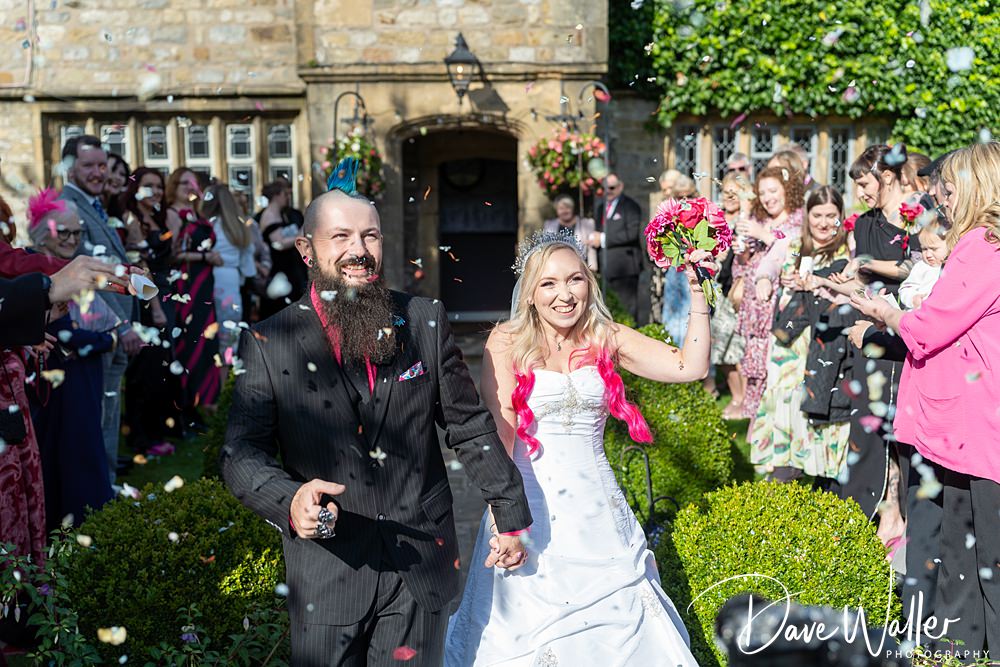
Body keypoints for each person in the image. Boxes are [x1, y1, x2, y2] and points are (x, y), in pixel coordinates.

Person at [221, 159, 532, 666]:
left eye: (370, 236)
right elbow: (240, 455)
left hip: (421, 562)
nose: (358, 252)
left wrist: (511, 513)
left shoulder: (424, 321)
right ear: (306, 249)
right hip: (329, 570)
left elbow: (468, 424)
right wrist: (290, 500)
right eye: (340, 237)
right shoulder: (267, 342)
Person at [445, 230, 707, 666]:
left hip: (598, 513)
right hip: (527, 504)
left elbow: (690, 366)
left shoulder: (607, 336)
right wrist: (501, 517)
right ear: (529, 294)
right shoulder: (506, 342)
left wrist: (699, 294)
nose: (564, 295)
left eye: (575, 280)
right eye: (548, 284)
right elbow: (502, 432)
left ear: (589, 282)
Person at [849, 142, 1000, 657]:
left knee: (979, 558)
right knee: (964, 551)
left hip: (976, 426)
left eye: (951, 187)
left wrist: (884, 313)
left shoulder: (983, 244)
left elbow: (933, 325)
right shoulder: (977, 242)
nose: (942, 196)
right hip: (965, 428)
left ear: (978, 187)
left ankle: (967, 648)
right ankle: (959, 648)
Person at [823, 144, 918, 541]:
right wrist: (834, 282)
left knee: (902, 428)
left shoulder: (920, 215)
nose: (861, 192)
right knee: (872, 425)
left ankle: (907, 513)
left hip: (908, 334)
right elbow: (860, 280)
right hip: (872, 333)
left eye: (865, 183)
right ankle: (884, 510)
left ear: (889, 177)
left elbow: (917, 265)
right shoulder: (862, 224)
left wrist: (866, 265)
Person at [26, 189, 115, 530]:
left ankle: (90, 524)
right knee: (63, 453)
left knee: (85, 448)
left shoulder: (72, 269)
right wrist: (103, 340)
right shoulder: (32, 273)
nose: (71, 239)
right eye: (63, 232)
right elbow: (62, 331)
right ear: (40, 232)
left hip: (83, 377)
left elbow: (92, 324)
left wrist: (99, 338)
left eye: (77, 232)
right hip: (53, 381)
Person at [750, 186, 852, 482]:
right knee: (786, 399)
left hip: (826, 341)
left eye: (830, 216)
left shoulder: (849, 248)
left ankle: (819, 472)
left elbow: (853, 289)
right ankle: (785, 469)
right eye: (817, 215)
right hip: (790, 342)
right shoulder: (795, 243)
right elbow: (768, 264)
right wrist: (765, 281)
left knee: (815, 400)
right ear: (807, 216)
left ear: (840, 216)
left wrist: (821, 284)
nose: (823, 223)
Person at [60, 135, 142, 482]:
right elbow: (84, 277)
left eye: (101, 165)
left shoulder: (94, 204)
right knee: (99, 415)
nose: (98, 172)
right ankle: (100, 490)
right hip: (98, 330)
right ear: (69, 169)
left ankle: (105, 484)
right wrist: (121, 326)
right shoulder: (69, 207)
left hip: (113, 327)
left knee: (108, 413)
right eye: (88, 165)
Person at [733, 166, 806, 420]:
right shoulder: (760, 220)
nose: (767, 197)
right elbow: (742, 267)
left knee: (774, 368)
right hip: (755, 306)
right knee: (754, 370)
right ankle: (757, 430)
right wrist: (741, 251)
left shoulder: (798, 219)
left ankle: (775, 424)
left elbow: (793, 250)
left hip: (778, 306)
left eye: (773, 190)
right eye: (762, 192)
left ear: (787, 190)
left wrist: (762, 235)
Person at [122, 167, 181, 455]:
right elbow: (140, 268)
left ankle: (159, 430)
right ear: (135, 189)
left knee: (162, 368)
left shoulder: (157, 217)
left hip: (165, 296)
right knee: (146, 372)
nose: (155, 191)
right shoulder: (132, 219)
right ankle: (142, 438)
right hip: (147, 301)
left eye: (159, 186)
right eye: (148, 186)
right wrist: (155, 308)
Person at [166, 167, 223, 428]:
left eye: (193, 184)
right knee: (190, 344)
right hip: (185, 288)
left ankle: (206, 402)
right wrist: (205, 257)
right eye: (183, 184)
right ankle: (186, 407)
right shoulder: (172, 215)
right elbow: (172, 254)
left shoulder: (197, 214)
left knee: (206, 342)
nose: (190, 188)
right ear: (174, 187)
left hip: (204, 287)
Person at [711, 172, 752, 417]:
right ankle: (737, 397)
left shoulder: (747, 220)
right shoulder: (716, 219)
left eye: (734, 192)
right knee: (720, 351)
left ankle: (744, 401)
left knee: (737, 350)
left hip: (736, 291)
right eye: (725, 190)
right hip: (716, 289)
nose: (728, 196)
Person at [588, 172, 650, 324]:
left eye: (612, 187)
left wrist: (602, 239)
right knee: (608, 310)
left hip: (626, 267)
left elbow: (631, 234)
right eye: (605, 188)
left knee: (627, 309)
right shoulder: (601, 207)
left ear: (620, 187)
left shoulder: (631, 206)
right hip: (606, 266)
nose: (608, 191)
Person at [203, 183, 255, 362]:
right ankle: (226, 379)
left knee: (207, 335)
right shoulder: (237, 227)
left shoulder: (208, 225)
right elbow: (248, 267)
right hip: (231, 281)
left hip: (209, 279)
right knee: (229, 338)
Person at [257, 180, 307, 318]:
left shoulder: (283, 214)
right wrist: (300, 235)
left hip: (290, 268)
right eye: (285, 194)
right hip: (278, 270)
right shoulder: (269, 215)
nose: (287, 198)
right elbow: (278, 243)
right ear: (276, 195)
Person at [658, 175, 697, 343]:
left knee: (692, 312)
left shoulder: (700, 212)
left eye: (688, 195)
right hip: (675, 268)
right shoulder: (669, 213)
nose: (684, 200)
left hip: (694, 267)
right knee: (672, 313)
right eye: (680, 197)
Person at [543, 194, 597, 270]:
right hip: (556, 266)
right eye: (561, 208)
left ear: (572, 208)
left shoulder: (586, 223)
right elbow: (545, 248)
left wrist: (592, 268)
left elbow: (591, 248)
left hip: (580, 266)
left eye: (567, 208)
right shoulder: (549, 225)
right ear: (556, 210)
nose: (565, 211)